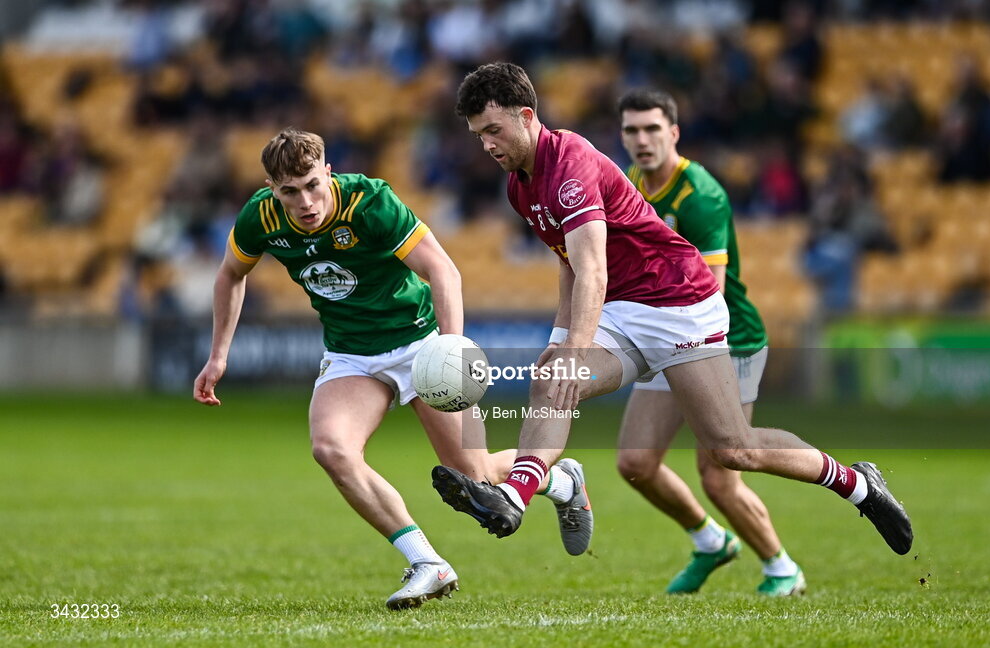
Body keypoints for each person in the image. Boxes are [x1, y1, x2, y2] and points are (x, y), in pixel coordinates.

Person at [431, 63, 913, 571]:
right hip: (622, 309)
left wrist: (576, 344)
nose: (486, 145)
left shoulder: (570, 165)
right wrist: (560, 340)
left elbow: (593, 269)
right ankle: (517, 497)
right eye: (478, 135)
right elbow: (570, 264)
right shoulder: (519, 185)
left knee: (734, 449)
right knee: (552, 379)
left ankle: (858, 483)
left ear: (527, 116)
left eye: (493, 130)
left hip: (678, 302)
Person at [191, 128, 588, 609]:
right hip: (351, 355)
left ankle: (562, 481)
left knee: (476, 477)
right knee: (332, 449)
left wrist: (452, 346)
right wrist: (218, 355)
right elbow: (231, 275)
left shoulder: (370, 202)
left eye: (313, 185)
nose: (305, 202)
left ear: (328, 173)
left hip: (419, 342)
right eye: (289, 192)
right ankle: (428, 563)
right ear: (272, 190)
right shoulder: (261, 217)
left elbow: (442, 269)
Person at [616, 88, 802, 596]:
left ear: (674, 132)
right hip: (665, 333)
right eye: (632, 130)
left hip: (724, 337)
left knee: (722, 467)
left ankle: (782, 567)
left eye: (652, 128)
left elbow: (710, 296)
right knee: (635, 463)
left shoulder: (700, 195)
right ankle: (711, 541)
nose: (642, 139)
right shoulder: (630, 183)